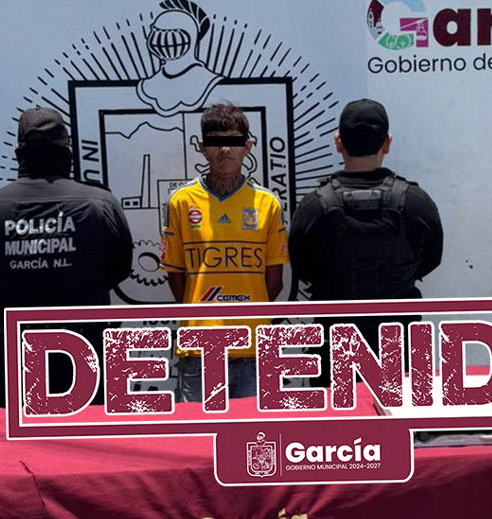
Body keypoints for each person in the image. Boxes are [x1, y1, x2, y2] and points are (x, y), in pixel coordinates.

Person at [0, 107, 133, 407]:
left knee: (16, 436)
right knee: (93, 434)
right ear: (66, 151)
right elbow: (120, 268)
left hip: (19, 348)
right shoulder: (99, 203)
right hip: (86, 347)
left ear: (20, 153)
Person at [288, 98, 444, 363]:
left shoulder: (314, 206)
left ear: (338, 143)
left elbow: (302, 268)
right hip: (400, 349)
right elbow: (430, 260)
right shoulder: (416, 203)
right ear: (387, 143)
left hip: (336, 351)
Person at [162, 101, 287, 403]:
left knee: (255, 431)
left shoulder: (268, 204)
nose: (225, 150)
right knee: (199, 434)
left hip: (254, 349)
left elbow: (274, 282)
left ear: (248, 147)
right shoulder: (180, 202)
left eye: (233, 142)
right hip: (199, 349)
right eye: (216, 143)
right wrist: (202, 315)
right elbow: (176, 277)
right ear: (202, 147)